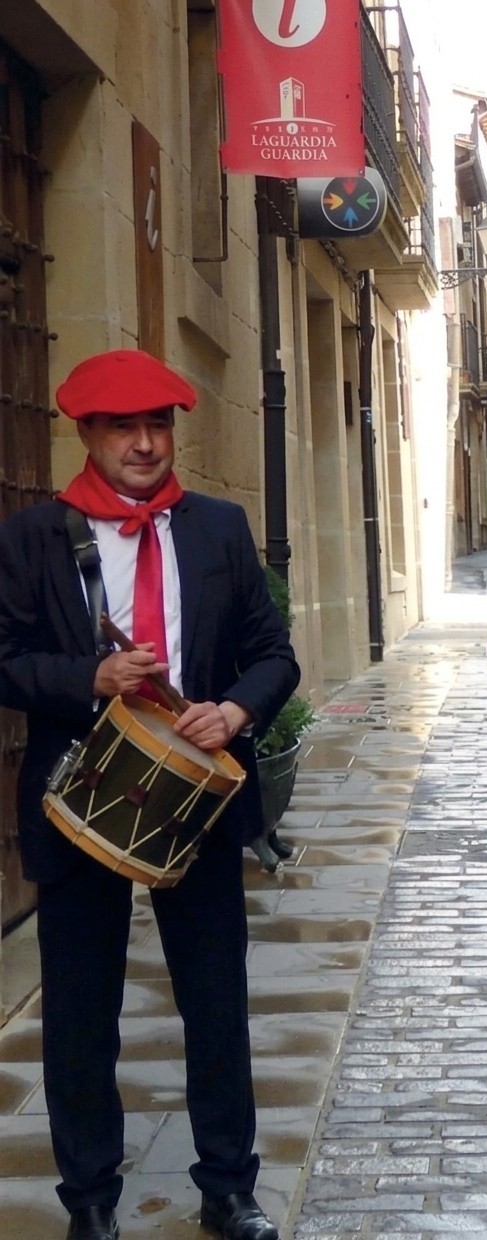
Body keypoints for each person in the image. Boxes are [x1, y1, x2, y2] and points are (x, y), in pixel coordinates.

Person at [0, 349, 301, 1240]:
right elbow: (7, 660)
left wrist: (237, 708)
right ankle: (90, 1201)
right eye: (123, 428)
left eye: (158, 425)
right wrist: (88, 676)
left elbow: (274, 653)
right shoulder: (32, 538)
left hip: (197, 802)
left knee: (215, 1003)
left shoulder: (217, 529)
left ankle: (229, 1190)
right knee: (82, 1015)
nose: (144, 443)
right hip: (78, 801)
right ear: (86, 435)